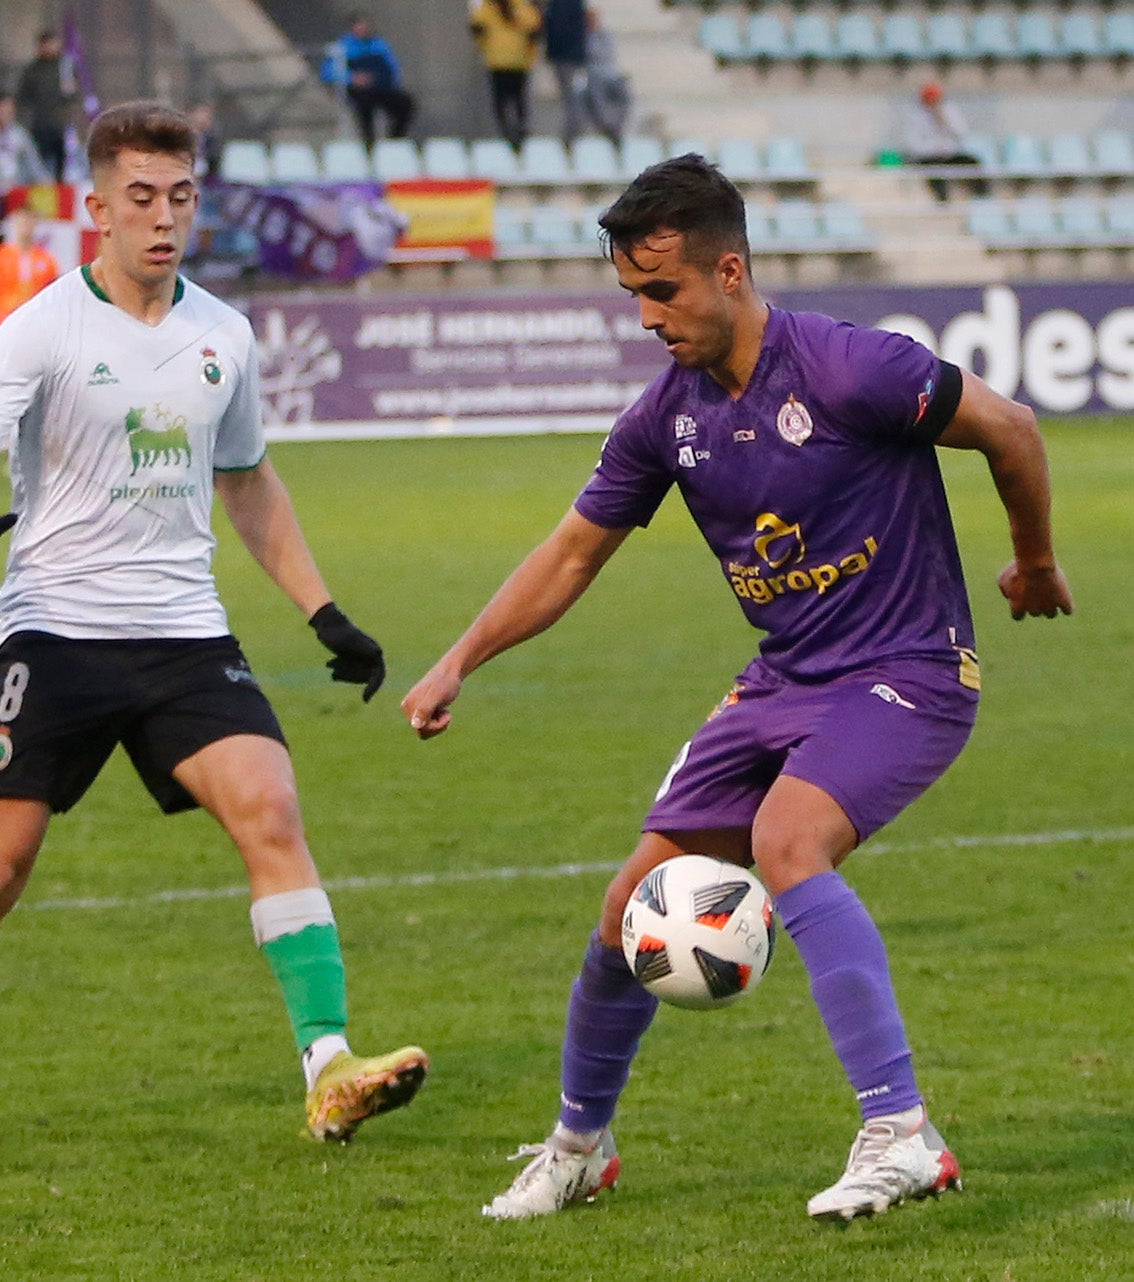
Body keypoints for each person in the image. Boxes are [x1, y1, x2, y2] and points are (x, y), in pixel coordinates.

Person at [402, 154, 1072, 1223]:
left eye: (661, 290)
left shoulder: (849, 368)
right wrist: (458, 658)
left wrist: (1033, 562)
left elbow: (1013, 427)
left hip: (908, 668)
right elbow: (573, 553)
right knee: (629, 908)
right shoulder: (664, 417)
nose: (647, 316)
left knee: (788, 840)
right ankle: (580, 1147)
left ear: (729, 270)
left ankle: (904, 1133)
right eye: (632, 295)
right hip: (780, 681)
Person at [0, 99, 428, 1150]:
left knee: (270, 807)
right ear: (96, 208)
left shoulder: (226, 333)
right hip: (55, 632)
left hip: (183, 634)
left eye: (179, 196)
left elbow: (251, 483)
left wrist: (325, 609)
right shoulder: (42, 326)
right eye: (140, 197)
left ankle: (329, 1066)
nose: (163, 217)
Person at [0, 199, 58, 361]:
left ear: (35, 223)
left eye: (28, 221)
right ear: (13, 224)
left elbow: (56, 299)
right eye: (20, 221)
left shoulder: (47, 260)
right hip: (4, 331)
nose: (24, 226)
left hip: (37, 335)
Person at [319, 11, 415, 151]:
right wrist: (352, 77)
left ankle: (395, 141)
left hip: (380, 88)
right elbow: (327, 71)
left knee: (405, 104)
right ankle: (369, 145)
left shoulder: (379, 45)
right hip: (359, 91)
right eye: (359, 26)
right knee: (364, 106)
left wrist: (386, 82)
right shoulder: (343, 46)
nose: (363, 29)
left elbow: (393, 68)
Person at [470, 0, 543, 154]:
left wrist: (482, 46)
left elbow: (477, 27)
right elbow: (534, 31)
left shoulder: (489, 8)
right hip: (519, 60)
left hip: (498, 61)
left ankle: (507, 133)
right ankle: (519, 131)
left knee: (502, 101)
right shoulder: (523, 7)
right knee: (518, 99)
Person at [902, 82, 984, 203]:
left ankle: (981, 197)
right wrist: (934, 150)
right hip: (929, 157)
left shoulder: (949, 111)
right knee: (934, 171)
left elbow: (961, 133)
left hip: (949, 154)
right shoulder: (915, 116)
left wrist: (943, 120)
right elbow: (914, 144)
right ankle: (942, 200)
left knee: (972, 162)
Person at [15, 28, 78, 181]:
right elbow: (23, 98)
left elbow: (74, 96)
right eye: (45, 44)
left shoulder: (65, 68)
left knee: (62, 168)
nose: (49, 47)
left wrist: (71, 91)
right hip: (39, 125)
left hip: (61, 126)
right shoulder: (32, 70)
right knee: (38, 167)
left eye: (52, 43)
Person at [581, 7, 630, 146]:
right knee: (595, 92)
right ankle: (606, 126)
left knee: (625, 92)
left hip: (609, 74)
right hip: (592, 75)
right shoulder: (582, 36)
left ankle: (618, 126)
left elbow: (607, 54)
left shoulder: (605, 35)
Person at [541, 0, 586, 146]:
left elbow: (560, 29)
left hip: (566, 56)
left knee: (571, 96)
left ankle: (572, 134)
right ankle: (572, 133)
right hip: (569, 55)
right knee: (570, 96)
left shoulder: (562, 4)